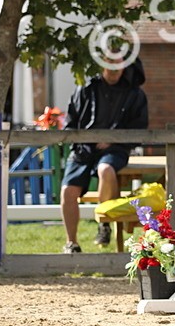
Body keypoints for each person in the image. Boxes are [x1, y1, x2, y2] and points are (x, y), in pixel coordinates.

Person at [59, 59, 148, 253]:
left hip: (116, 149)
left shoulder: (135, 94)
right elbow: (70, 123)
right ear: (101, 63)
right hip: (83, 149)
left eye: (119, 64)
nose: (115, 69)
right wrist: (85, 140)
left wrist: (113, 140)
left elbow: (139, 129)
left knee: (106, 170)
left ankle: (104, 224)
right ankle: (71, 243)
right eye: (110, 63)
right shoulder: (85, 88)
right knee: (67, 191)